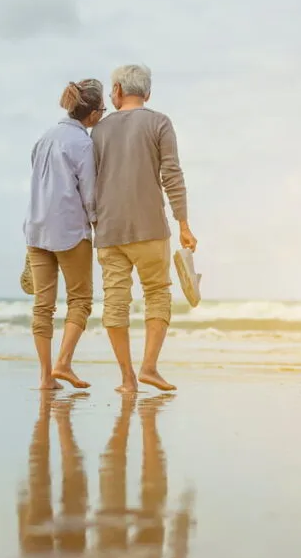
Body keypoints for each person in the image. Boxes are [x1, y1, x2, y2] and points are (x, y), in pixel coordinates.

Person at [91, 64, 197, 393]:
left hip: (109, 230)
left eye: (112, 90)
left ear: (119, 91)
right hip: (150, 225)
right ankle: (149, 368)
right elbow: (172, 175)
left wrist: (93, 222)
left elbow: (88, 182)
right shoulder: (159, 122)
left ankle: (127, 378)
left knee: (115, 301)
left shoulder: (99, 130)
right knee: (157, 294)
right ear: (147, 93)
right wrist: (183, 223)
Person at [23, 79, 106, 390]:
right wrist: (98, 224)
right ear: (94, 114)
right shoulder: (82, 145)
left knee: (43, 305)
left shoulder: (44, 138)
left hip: (35, 229)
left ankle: (46, 377)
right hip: (69, 230)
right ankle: (64, 363)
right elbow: (89, 195)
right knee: (81, 300)